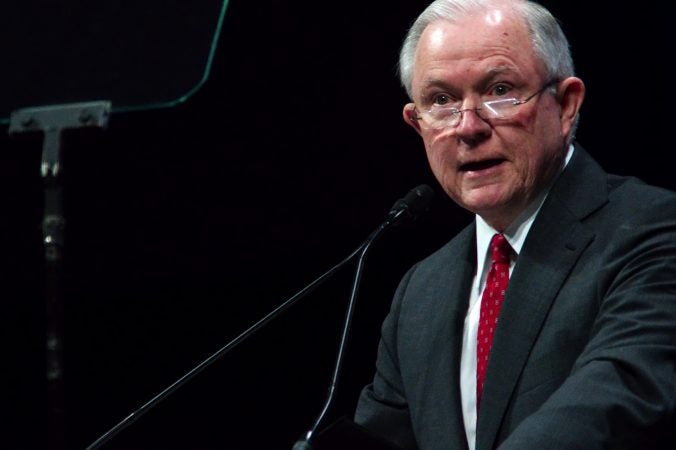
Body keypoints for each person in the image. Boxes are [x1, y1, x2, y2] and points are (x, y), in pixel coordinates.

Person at [353, 0, 676, 449]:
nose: (468, 127)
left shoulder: (653, 230)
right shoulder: (420, 292)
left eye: (499, 89)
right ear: (417, 123)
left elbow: (618, 393)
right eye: (441, 101)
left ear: (565, 105)